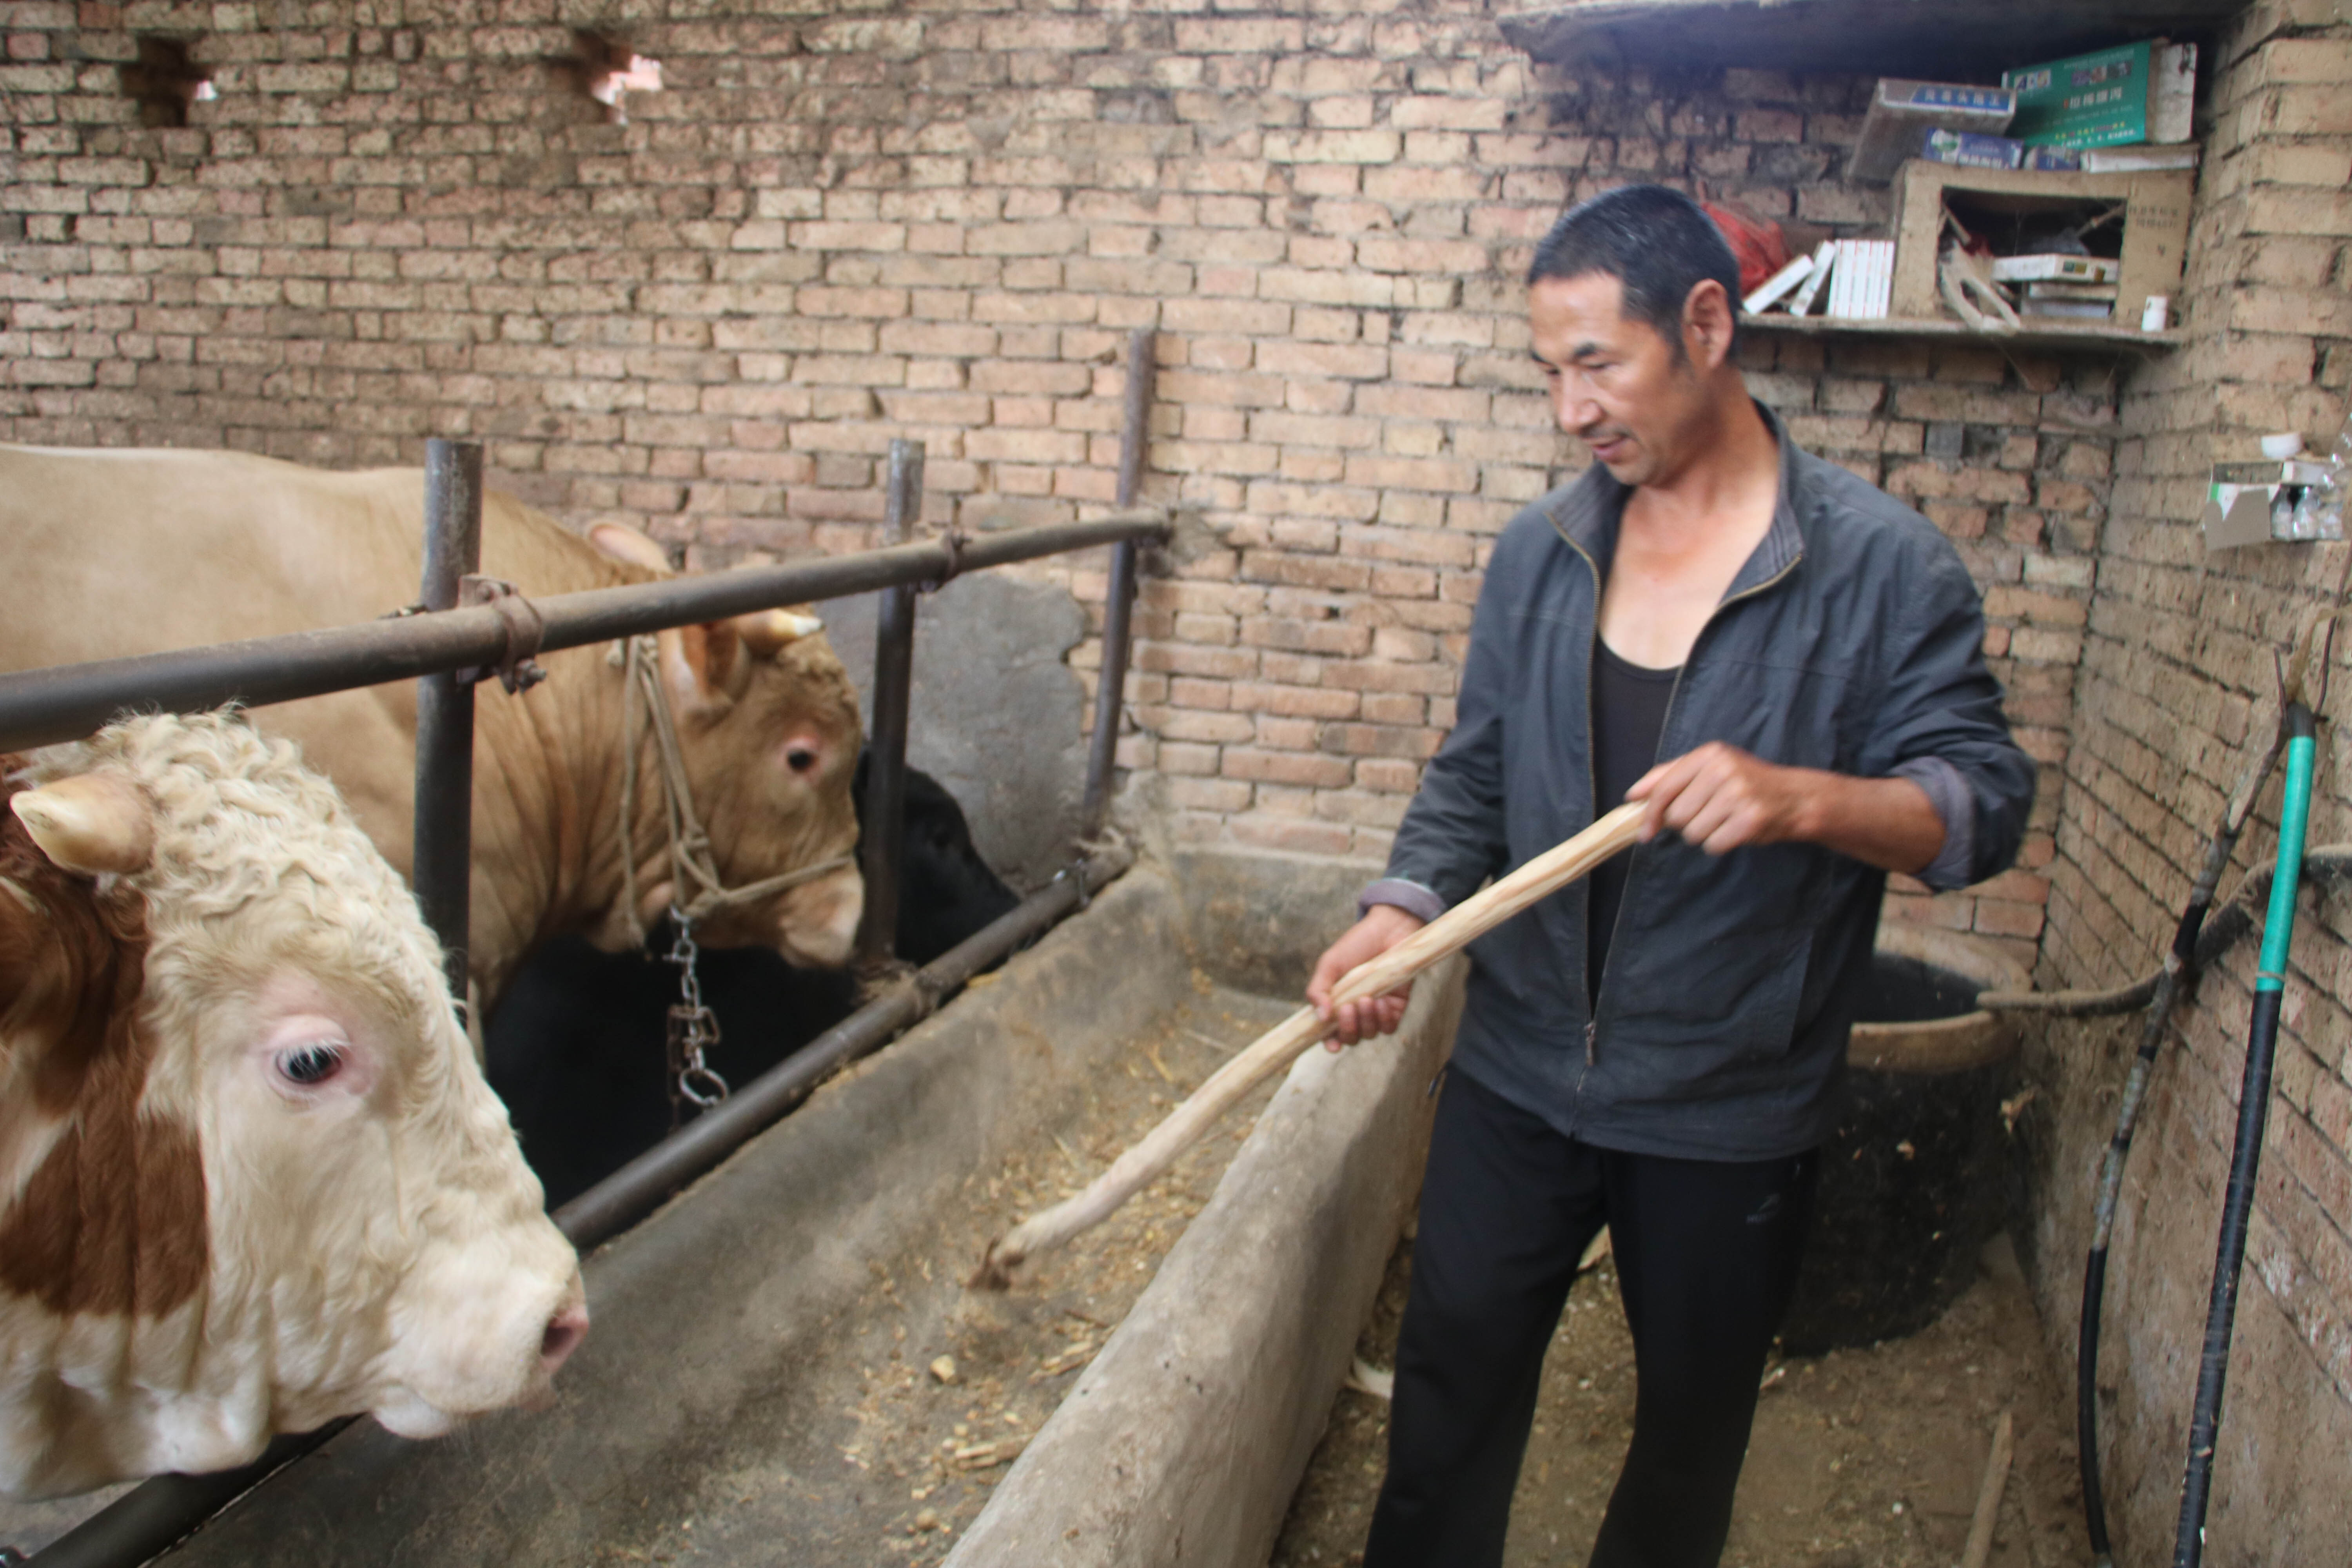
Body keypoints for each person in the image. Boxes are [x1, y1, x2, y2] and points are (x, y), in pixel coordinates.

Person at [1307, 184, 2036, 1568]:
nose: (1570, 409)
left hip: (1728, 1101)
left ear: (1706, 326)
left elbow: (1981, 806)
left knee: (1689, 1440)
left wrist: (1803, 796)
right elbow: (1475, 774)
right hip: (1517, 1071)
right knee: (1446, 1405)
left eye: (1598, 363)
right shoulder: (1542, 553)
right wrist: (1400, 911)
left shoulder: (1883, 570)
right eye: (1549, 373)